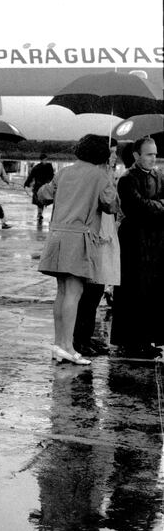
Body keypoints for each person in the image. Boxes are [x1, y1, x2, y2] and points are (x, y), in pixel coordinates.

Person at [37, 134, 119, 365]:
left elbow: (43, 194)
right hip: (80, 238)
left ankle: (59, 343)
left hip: (57, 237)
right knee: (74, 293)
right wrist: (109, 178)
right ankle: (68, 347)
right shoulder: (100, 175)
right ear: (101, 155)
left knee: (62, 293)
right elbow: (111, 205)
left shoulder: (64, 172)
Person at [110, 137, 164, 357]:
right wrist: (158, 206)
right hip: (134, 240)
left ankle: (148, 338)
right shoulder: (127, 179)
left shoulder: (159, 176)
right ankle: (132, 340)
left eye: (155, 154)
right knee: (134, 289)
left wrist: (155, 207)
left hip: (156, 241)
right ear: (136, 155)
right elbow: (136, 207)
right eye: (149, 154)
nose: (153, 158)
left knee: (153, 289)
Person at [25, 153, 55, 223]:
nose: (45, 161)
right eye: (44, 160)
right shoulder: (37, 168)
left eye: (46, 160)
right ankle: (40, 214)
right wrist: (26, 184)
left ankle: (40, 213)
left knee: (44, 201)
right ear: (41, 160)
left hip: (45, 186)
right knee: (40, 202)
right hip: (39, 187)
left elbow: (52, 176)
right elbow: (31, 176)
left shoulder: (48, 166)